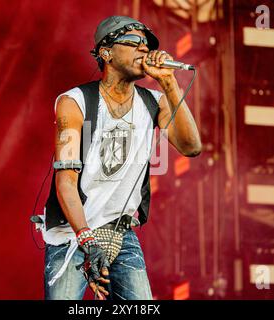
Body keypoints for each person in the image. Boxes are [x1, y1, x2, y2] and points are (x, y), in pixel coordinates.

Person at [41, 15, 202, 300]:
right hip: (73, 232)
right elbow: (65, 181)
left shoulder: (153, 102)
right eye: (134, 42)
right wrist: (86, 240)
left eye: (147, 44)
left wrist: (169, 82)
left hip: (120, 231)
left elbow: (192, 147)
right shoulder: (74, 102)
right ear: (106, 53)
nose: (144, 49)